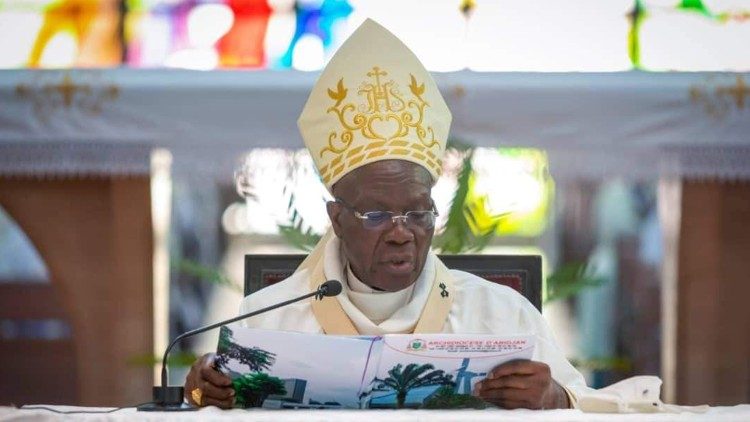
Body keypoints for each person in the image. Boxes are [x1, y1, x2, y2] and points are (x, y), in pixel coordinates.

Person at [184, 19, 590, 410]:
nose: (402, 233)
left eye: (417, 212)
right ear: (337, 219)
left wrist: (556, 397)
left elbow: (591, 405)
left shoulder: (501, 314)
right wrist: (204, 394)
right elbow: (212, 405)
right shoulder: (269, 322)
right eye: (377, 214)